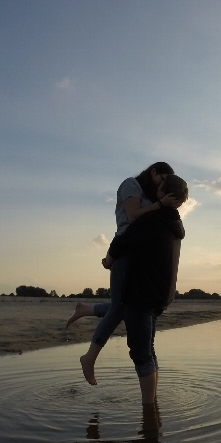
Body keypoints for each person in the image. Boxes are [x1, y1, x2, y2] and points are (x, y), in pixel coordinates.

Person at [66, 162, 182, 385]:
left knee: (128, 306)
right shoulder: (131, 185)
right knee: (121, 307)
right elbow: (132, 217)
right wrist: (160, 204)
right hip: (125, 250)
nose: (162, 184)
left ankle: (86, 309)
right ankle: (89, 357)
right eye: (162, 178)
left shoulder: (151, 197)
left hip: (137, 254)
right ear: (153, 172)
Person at [104, 174, 187, 404]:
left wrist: (108, 261)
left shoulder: (152, 219)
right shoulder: (175, 224)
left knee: (140, 353)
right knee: (148, 350)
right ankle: (153, 405)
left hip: (140, 293)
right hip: (160, 295)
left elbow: (122, 241)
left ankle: (149, 411)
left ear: (162, 194)